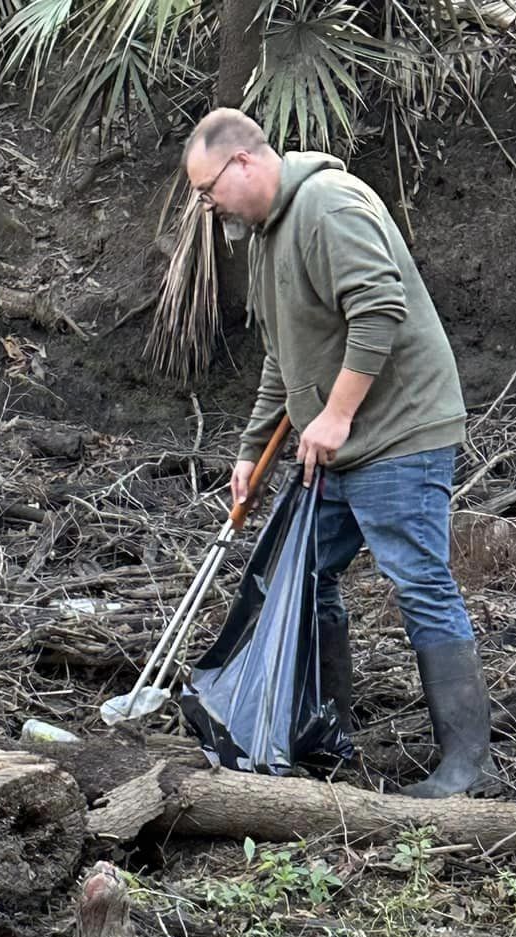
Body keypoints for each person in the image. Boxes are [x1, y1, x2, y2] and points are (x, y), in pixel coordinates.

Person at [184, 109, 494, 797]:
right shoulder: (265, 239)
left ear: (242, 163)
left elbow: (380, 308)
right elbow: (280, 356)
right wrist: (248, 453)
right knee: (308, 576)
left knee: (419, 581)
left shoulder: (328, 204)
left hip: (400, 435)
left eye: (208, 191)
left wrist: (336, 414)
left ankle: (470, 767)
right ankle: (328, 733)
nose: (207, 208)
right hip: (338, 449)